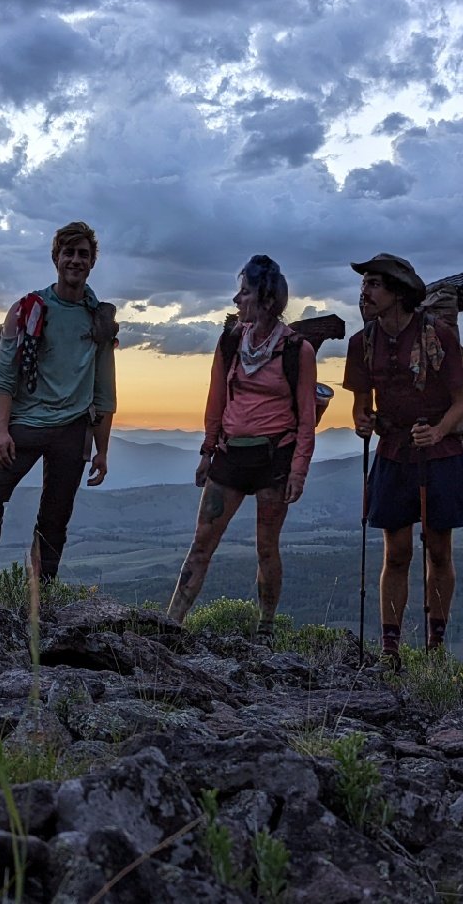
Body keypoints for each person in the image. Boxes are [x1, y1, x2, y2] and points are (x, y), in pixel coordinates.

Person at [166, 256, 317, 643]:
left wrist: (298, 471)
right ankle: (170, 625)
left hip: (274, 460)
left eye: (245, 292)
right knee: (202, 543)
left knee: (267, 547)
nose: (237, 299)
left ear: (266, 299)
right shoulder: (232, 340)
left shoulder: (297, 351)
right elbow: (217, 398)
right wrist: (206, 450)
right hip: (230, 456)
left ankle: (265, 631)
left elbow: (305, 419)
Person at [0, 221, 118, 588]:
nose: (76, 261)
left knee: (56, 516)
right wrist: (0, 433)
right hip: (26, 424)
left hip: (73, 427)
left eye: (84, 254)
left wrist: (102, 450)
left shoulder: (99, 319)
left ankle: (42, 594)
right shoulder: (27, 309)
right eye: (69, 253)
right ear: (56, 258)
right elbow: (2, 376)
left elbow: (104, 389)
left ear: (92, 262)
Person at [344, 253, 463, 669]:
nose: (365, 291)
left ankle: (434, 648)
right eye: (365, 284)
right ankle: (390, 651)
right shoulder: (361, 344)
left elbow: (462, 403)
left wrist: (437, 432)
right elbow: (362, 407)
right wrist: (363, 421)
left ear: (398, 293)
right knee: (396, 552)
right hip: (394, 452)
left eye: (374, 284)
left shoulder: (438, 337)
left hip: (439, 454)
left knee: (438, 550)